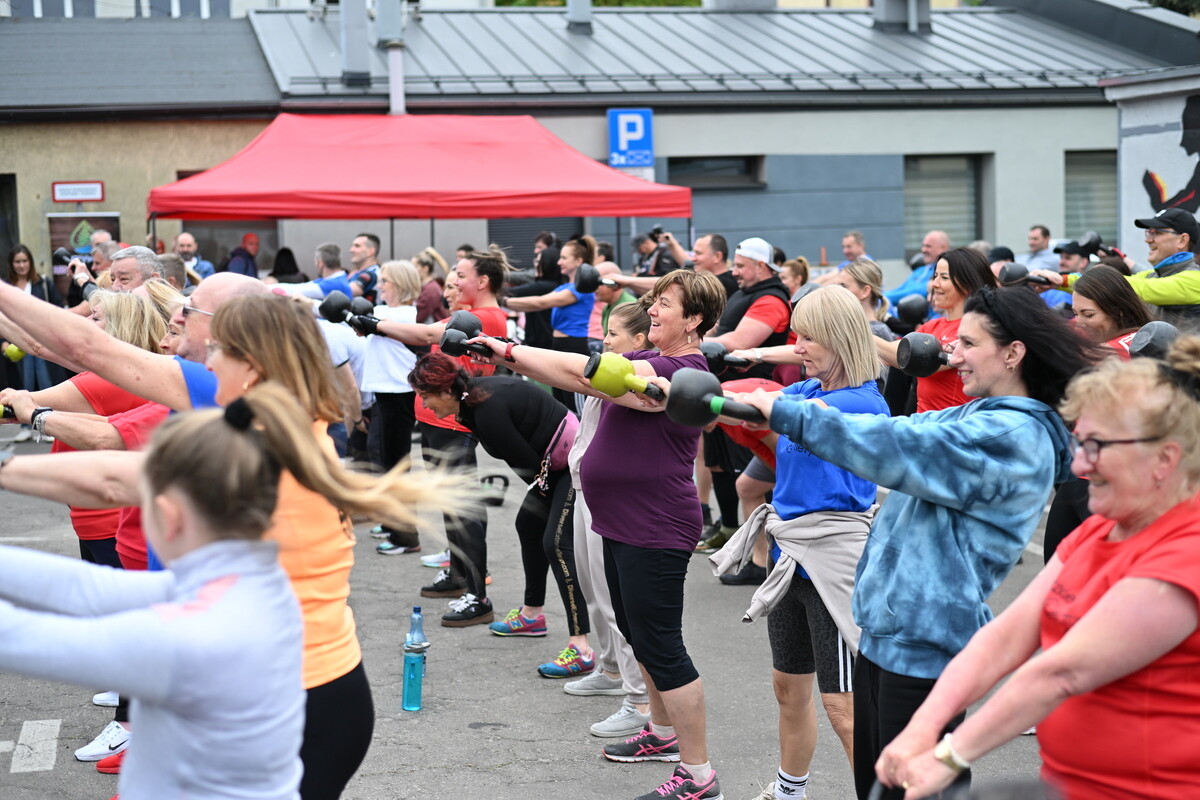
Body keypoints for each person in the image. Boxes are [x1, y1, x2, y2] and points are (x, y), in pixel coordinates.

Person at [0, 281, 407, 800]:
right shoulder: (273, 420)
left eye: (217, 348)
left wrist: (12, 459)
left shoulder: (259, 447)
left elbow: (114, 477)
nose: (207, 363)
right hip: (300, 684)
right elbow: (94, 588)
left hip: (298, 689)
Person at [737, 287, 1098, 800]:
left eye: (969, 344)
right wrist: (741, 401)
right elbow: (900, 427)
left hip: (925, 647)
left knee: (915, 792)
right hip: (888, 633)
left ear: (1013, 352)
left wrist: (784, 413)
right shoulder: (972, 415)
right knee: (877, 788)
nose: (953, 355)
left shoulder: (1011, 435)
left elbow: (891, 444)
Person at [875, 339, 1200, 800]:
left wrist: (946, 756)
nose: (1080, 463)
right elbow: (1007, 636)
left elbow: (1060, 673)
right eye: (1078, 442)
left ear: (1165, 459)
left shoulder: (1186, 551)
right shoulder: (1101, 530)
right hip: (1070, 783)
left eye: (1096, 445)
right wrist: (920, 728)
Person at [468, 268, 728, 800]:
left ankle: (699, 775)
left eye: (664, 304)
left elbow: (582, 372)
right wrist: (501, 351)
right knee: (639, 635)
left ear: (695, 319)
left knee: (663, 645)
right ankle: (660, 733)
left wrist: (505, 350)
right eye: (653, 301)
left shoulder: (679, 371)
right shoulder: (642, 361)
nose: (650, 309)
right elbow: (572, 373)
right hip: (624, 518)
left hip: (655, 524)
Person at [713, 287, 889, 800]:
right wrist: (668, 387)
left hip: (835, 559)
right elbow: (756, 405)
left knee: (846, 709)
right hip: (792, 556)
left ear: (838, 339)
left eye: (809, 336)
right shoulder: (809, 389)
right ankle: (791, 791)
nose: (800, 344)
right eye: (798, 334)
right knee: (789, 689)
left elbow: (772, 410)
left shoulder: (859, 403)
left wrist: (729, 397)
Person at [409, 352, 594, 676]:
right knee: (528, 524)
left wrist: (558, 507)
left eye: (426, 397)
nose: (425, 405)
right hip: (553, 464)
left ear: (445, 391)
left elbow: (534, 470)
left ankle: (581, 646)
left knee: (555, 544)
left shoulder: (486, 409)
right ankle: (532, 614)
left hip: (574, 462)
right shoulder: (472, 402)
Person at [354, 246, 509, 625]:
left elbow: (426, 332)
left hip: (454, 425)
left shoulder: (484, 317)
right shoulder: (469, 313)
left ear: (482, 281)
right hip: (437, 424)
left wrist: (374, 324)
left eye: (461, 274)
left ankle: (477, 594)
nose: (453, 280)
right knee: (449, 503)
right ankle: (459, 575)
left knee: (462, 511)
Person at [562, 300, 654, 739]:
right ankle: (611, 668)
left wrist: (510, 352)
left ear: (639, 340)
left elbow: (564, 370)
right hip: (584, 486)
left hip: (607, 497)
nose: (605, 341)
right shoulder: (610, 368)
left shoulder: (632, 377)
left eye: (614, 333)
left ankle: (638, 699)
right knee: (593, 590)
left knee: (616, 600)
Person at [875, 247, 998, 413]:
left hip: (953, 429)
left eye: (944, 277)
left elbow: (910, 357)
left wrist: (857, 334)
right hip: (923, 426)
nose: (935, 284)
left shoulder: (973, 330)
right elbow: (891, 354)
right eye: (935, 276)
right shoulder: (932, 326)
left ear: (967, 284)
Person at [360, 261, 421, 554]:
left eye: (385, 281)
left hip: (398, 395)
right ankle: (391, 523)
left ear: (400, 284)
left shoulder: (400, 314)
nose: (380, 285)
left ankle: (405, 536)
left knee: (395, 464)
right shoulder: (388, 313)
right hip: (385, 394)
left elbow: (366, 319)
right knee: (384, 460)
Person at [504, 237, 597, 412]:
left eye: (564, 258)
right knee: (562, 405)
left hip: (574, 347)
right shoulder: (564, 286)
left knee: (579, 409)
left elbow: (541, 302)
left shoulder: (581, 289)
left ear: (579, 260)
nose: (559, 262)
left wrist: (503, 301)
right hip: (559, 346)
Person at [3, 244, 65, 409]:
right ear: (11, 264)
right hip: (16, 341)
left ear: (30, 262)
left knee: (46, 381)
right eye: (17, 262)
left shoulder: (43, 283)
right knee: (24, 383)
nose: (22, 265)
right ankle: (24, 424)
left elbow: (58, 308)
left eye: (25, 261)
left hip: (42, 340)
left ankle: (48, 419)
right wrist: (3, 341)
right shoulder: (6, 286)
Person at [1071, 265, 1156, 359]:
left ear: (1118, 310)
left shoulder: (1132, 344)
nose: (1078, 323)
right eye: (1075, 314)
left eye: (1088, 315)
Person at [412, 247, 450, 324]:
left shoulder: (431, 289)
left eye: (415, 266)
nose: (412, 270)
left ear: (425, 268)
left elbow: (418, 318)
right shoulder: (427, 287)